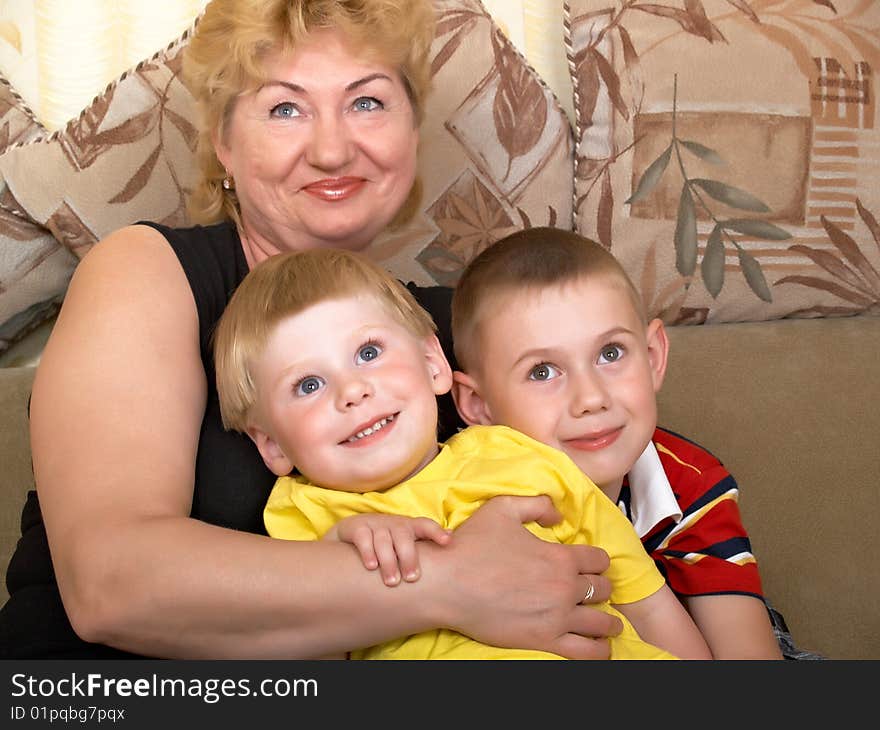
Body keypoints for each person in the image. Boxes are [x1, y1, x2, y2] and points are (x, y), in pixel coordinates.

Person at [0, 0, 619, 660]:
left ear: (412, 134)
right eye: (286, 108)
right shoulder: (150, 272)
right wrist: (448, 584)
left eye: (368, 103)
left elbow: (629, 478)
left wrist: (575, 590)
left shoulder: (456, 323)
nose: (331, 149)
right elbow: (110, 585)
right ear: (225, 144)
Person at [212, 247, 712, 660]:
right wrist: (339, 557)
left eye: (368, 353)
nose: (352, 391)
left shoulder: (521, 456)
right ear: (272, 444)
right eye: (309, 384)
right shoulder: (303, 517)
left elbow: (646, 601)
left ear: (433, 363)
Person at [449, 227, 783, 660]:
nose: (591, 399)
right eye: (542, 372)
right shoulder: (456, 489)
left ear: (653, 357)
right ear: (479, 405)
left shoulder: (690, 484)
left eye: (610, 353)